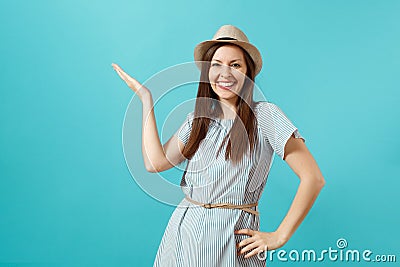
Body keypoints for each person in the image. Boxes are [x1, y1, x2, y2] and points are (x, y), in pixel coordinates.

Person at [112, 24, 325, 266]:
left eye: (235, 65)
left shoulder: (265, 116)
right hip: (184, 235)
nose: (225, 73)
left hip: (232, 242)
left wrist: (279, 236)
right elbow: (154, 163)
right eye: (216, 64)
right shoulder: (198, 121)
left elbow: (313, 178)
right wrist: (146, 98)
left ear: (248, 73)